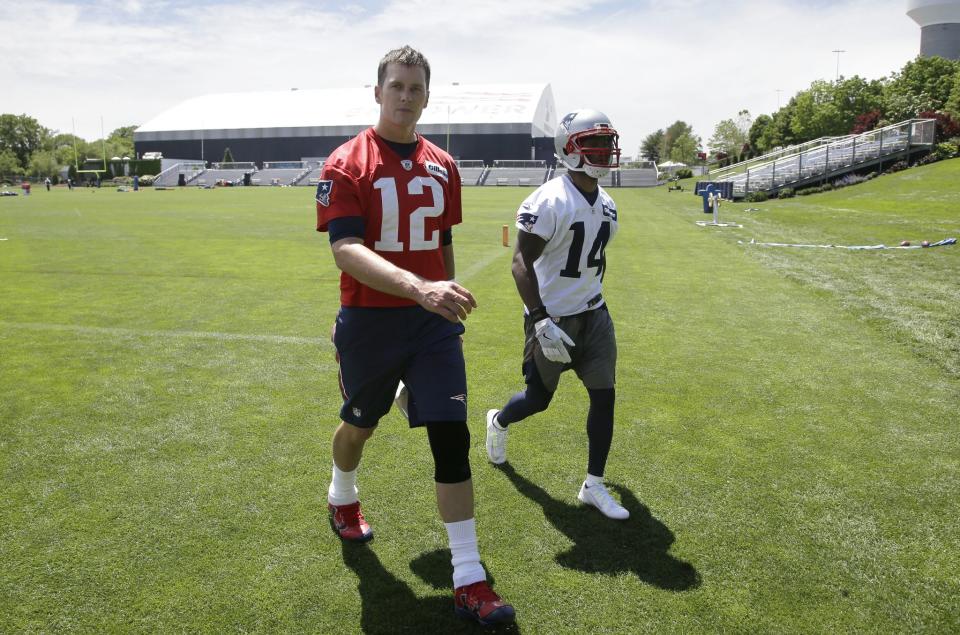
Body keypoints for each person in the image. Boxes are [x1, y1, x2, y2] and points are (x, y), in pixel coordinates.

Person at [315, 45, 514, 626]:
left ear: (427, 96)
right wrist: (418, 287)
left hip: (431, 325)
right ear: (377, 92)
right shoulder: (346, 162)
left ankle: (469, 577)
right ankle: (341, 496)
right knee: (359, 426)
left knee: (451, 439)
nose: (406, 97)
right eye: (396, 86)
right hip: (372, 322)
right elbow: (345, 250)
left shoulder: (443, 165)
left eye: (416, 88)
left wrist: (441, 295)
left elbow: (443, 246)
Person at [485, 109, 630, 521]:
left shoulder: (608, 203)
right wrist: (541, 318)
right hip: (552, 318)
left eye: (607, 143)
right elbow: (519, 262)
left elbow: (591, 262)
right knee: (538, 399)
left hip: (594, 314)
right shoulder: (549, 199)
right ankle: (499, 421)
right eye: (594, 144)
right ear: (569, 149)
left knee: (605, 395)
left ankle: (594, 484)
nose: (604, 152)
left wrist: (589, 297)